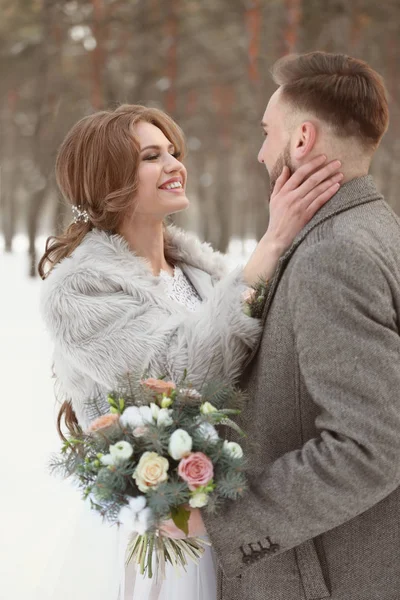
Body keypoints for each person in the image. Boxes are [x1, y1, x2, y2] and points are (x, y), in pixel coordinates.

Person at [38, 104, 341, 600]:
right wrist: (273, 241)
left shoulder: (199, 272)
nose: (176, 164)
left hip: (227, 513)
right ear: (108, 179)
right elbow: (181, 374)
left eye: (174, 152)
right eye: (152, 156)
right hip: (163, 533)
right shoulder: (81, 291)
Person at [201, 52, 400, 600]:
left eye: (268, 132)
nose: (260, 150)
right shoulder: (373, 229)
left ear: (302, 138)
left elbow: (371, 447)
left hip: (328, 576)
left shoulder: (335, 255)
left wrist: (228, 521)